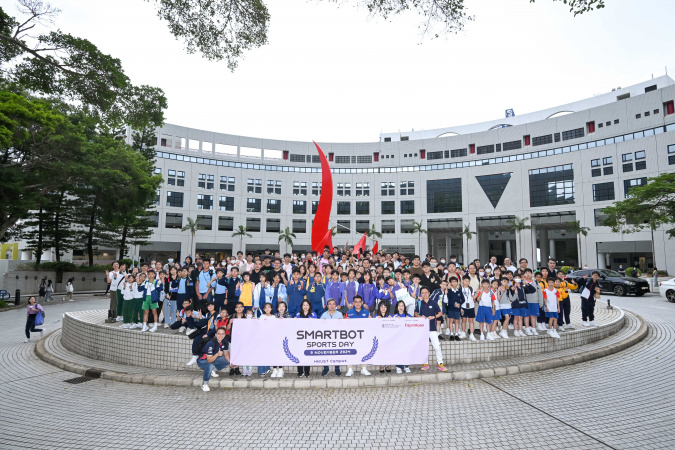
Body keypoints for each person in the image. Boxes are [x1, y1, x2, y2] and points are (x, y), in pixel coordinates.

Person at [414, 286, 448, 372]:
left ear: (429, 293)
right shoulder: (419, 303)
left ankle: (440, 363)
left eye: (426, 292)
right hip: (422, 329)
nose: (424, 294)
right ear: (421, 294)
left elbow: (440, 313)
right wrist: (420, 316)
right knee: (424, 347)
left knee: (437, 346)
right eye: (422, 293)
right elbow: (415, 314)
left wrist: (434, 317)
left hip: (432, 328)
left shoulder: (433, 303)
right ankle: (425, 363)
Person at [344, 295, 371, 377]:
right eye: (356, 302)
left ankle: (363, 368)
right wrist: (345, 321)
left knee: (364, 351)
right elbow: (344, 326)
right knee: (350, 352)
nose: (358, 303)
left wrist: (371, 320)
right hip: (352, 337)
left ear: (362, 303)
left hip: (363, 337)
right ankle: (350, 369)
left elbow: (370, 325)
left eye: (359, 302)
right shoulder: (348, 313)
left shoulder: (366, 313)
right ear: (353, 303)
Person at [197, 326, 231, 392]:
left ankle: (213, 370)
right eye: (219, 334)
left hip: (213, 358)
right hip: (202, 360)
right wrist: (217, 354)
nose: (221, 336)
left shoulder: (225, 342)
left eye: (222, 334)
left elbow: (226, 354)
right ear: (216, 334)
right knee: (209, 365)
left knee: (227, 360)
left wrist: (231, 362)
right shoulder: (211, 343)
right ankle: (204, 384)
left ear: (225, 335)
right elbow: (209, 360)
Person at [320, 299, 343, 376]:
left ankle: (337, 368)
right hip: (326, 337)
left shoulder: (340, 314)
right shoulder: (323, 315)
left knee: (337, 352)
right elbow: (319, 327)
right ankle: (326, 369)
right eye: (330, 304)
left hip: (337, 337)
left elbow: (344, 327)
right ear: (327, 306)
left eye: (333, 304)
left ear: (336, 305)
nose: (332, 306)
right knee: (325, 352)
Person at [295, 300, 317, 378]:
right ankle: (300, 372)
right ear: (301, 306)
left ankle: (307, 372)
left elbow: (316, 326)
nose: (305, 307)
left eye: (307, 305)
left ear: (309, 306)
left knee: (307, 354)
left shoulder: (313, 314)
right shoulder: (298, 315)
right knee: (300, 354)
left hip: (309, 338)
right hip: (300, 338)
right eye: (304, 305)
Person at [227, 302, 246, 376]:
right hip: (232, 338)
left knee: (239, 353)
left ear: (243, 308)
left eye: (240, 307)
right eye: (237, 307)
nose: (239, 308)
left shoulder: (246, 317)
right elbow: (228, 328)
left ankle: (237, 368)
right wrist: (230, 323)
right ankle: (232, 368)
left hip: (241, 339)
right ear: (235, 309)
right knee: (232, 353)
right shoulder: (232, 317)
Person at [392, 300, 411, 374]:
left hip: (406, 337)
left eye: (402, 306)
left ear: (404, 307)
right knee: (398, 351)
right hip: (397, 338)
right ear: (397, 307)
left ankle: (406, 366)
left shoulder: (408, 316)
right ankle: (398, 366)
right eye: (399, 305)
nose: (401, 307)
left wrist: (408, 320)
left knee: (406, 351)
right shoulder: (394, 316)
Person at [257, 302, 276, 377]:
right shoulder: (262, 316)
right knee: (262, 353)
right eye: (266, 307)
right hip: (262, 338)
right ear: (264, 309)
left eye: (269, 307)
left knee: (268, 353)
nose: (267, 309)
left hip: (271, 338)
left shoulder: (274, 317)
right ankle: (262, 370)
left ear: (271, 309)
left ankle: (267, 368)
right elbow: (259, 326)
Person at [373, 301, 392, 373]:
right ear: (379, 308)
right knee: (380, 351)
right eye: (382, 307)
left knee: (388, 350)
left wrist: (392, 320)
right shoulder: (376, 316)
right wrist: (376, 320)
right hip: (379, 337)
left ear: (387, 308)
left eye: (385, 307)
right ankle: (381, 365)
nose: (383, 308)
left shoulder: (390, 315)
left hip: (388, 337)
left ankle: (387, 365)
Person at [459, 275, 476, 341]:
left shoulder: (471, 289)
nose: (467, 282)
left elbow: (473, 296)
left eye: (468, 281)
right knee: (464, 320)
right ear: (462, 281)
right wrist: (460, 307)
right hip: (463, 306)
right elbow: (459, 299)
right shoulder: (460, 289)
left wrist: (475, 296)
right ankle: (463, 332)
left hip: (471, 306)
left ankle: (471, 334)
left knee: (471, 321)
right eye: (465, 281)